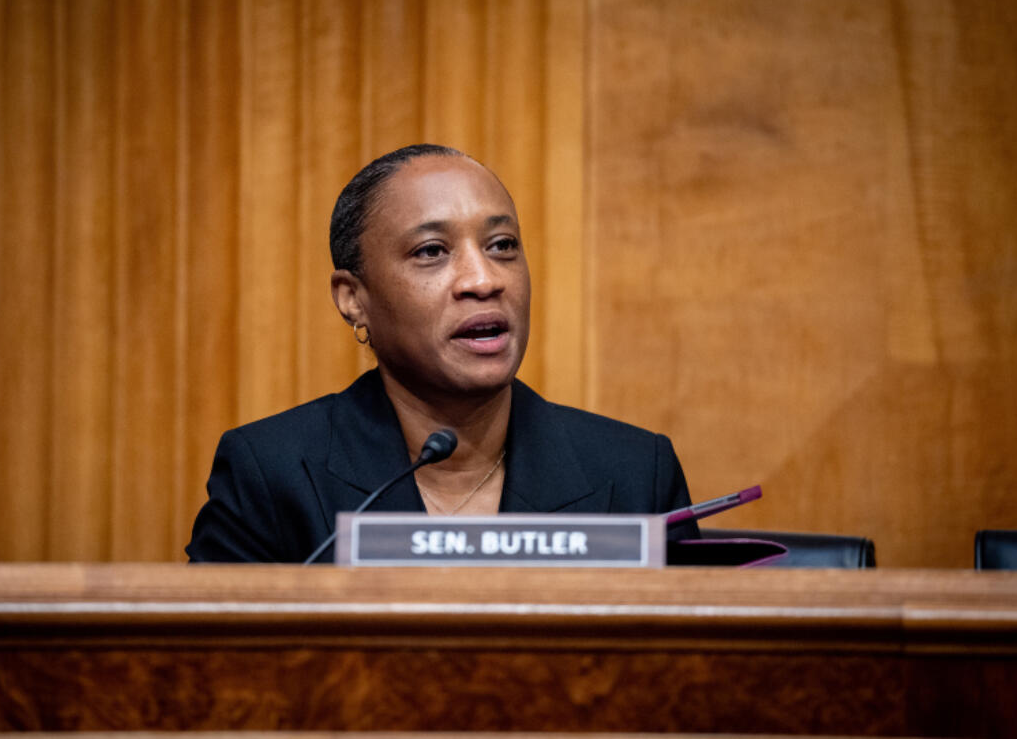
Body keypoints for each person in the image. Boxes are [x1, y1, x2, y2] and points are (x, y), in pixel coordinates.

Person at [186, 144, 698, 562]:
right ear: (353, 298)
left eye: (502, 246)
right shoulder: (272, 473)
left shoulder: (634, 474)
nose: (483, 280)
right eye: (431, 251)